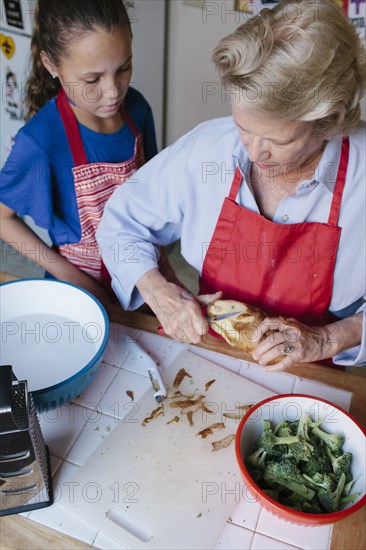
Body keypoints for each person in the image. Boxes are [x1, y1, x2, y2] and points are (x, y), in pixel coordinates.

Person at [97, 0, 365, 371]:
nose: (254, 152)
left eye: (278, 141)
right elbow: (121, 223)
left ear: (329, 121)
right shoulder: (210, 147)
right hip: (213, 354)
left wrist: (325, 339)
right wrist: (157, 290)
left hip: (315, 372)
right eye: (243, 127)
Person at [0, 0, 177, 309]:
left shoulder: (137, 109)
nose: (112, 91)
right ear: (52, 65)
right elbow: (3, 218)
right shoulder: (41, 141)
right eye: (92, 79)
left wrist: (165, 273)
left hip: (144, 276)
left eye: (123, 69)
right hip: (82, 288)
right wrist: (66, 273)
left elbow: (151, 198)